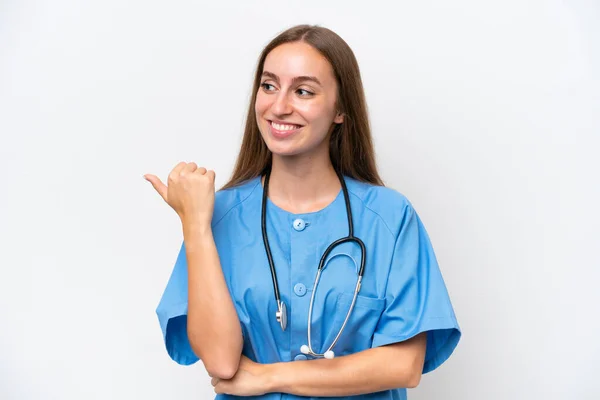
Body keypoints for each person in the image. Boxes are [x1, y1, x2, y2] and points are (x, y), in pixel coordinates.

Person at [144, 24, 461, 400]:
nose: (279, 106)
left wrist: (268, 377)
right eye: (269, 86)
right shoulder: (219, 215)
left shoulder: (390, 218)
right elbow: (222, 363)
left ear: (341, 109)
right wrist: (195, 225)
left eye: (303, 91)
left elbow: (402, 366)